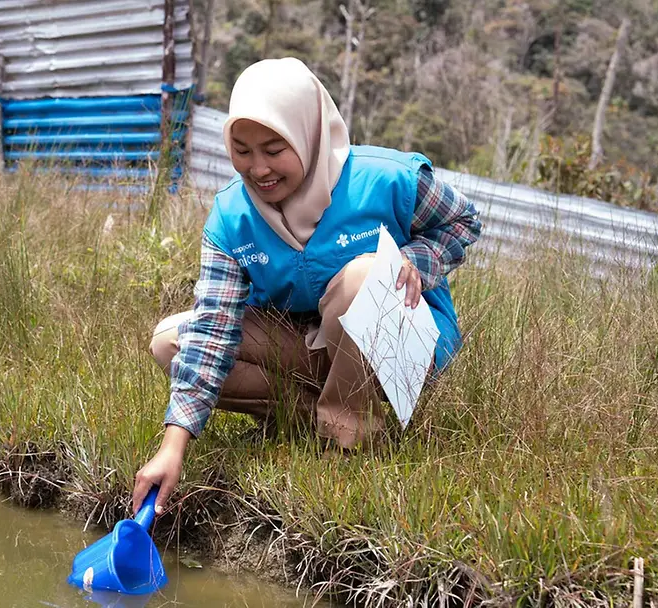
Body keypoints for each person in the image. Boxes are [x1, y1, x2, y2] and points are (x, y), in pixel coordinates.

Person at [132, 58, 481, 516]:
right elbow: (214, 329)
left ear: (309, 133)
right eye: (242, 150)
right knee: (171, 343)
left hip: (400, 353)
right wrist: (173, 446)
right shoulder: (232, 218)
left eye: (274, 150)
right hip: (314, 345)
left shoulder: (387, 179)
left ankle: (351, 441)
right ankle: (316, 421)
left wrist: (415, 261)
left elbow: (463, 222)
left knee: (361, 278)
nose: (258, 169)